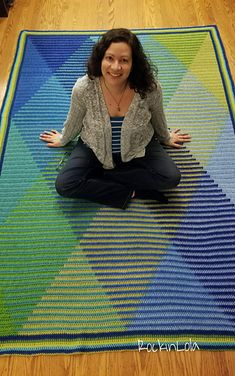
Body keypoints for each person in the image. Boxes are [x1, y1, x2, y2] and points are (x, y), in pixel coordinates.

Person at [40, 28, 191, 209]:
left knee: (171, 178)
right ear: (100, 58)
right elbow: (75, 118)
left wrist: (166, 137)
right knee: (65, 184)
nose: (116, 67)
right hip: (94, 146)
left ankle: (100, 174)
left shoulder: (150, 88)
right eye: (109, 58)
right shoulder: (83, 88)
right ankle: (132, 192)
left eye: (124, 60)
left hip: (139, 145)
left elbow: (158, 114)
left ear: (134, 63)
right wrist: (64, 138)